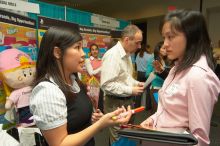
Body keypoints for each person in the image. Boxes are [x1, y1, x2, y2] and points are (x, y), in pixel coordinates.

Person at [29, 26, 132, 146]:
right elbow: (59, 143)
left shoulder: (74, 81)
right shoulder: (47, 91)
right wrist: (100, 124)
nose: (83, 54)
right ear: (57, 52)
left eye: (82, 48)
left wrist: (97, 120)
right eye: (77, 47)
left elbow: (75, 122)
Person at [141, 10, 220, 146]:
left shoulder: (198, 76)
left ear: (191, 37)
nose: (164, 44)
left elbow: (198, 140)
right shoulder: (176, 69)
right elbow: (171, 111)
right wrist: (153, 119)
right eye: (164, 37)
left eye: (170, 37)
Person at [101, 24, 144, 145]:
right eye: (137, 43)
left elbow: (125, 77)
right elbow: (107, 85)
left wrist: (136, 83)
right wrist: (131, 90)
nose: (139, 46)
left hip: (126, 102)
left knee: (125, 135)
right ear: (126, 40)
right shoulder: (112, 55)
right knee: (119, 138)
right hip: (116, 103)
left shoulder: (127, 55)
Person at [145, 41, 167, 113]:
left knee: (162, 110)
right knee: (156, 110)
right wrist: (156, 72)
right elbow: (147, 74)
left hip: (164, 88)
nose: (165, 50)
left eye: (166, 48)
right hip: (155, 88)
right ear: (158, 49)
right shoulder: (153, 59)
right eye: (163, 48)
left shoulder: (166, 60)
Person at [85, 43, 104, 112]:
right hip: (92, 86)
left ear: (98, 51)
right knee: (93, 106)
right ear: (90, 52)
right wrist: (102, 67)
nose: (94, 51)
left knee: (100, 106)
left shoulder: (101, 60)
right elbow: (91, 73)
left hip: (100, 86)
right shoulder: (88, 60)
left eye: (96, 49)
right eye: (92, 50)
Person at [135, 44, 153, 108]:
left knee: (139, 89)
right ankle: (148, 106)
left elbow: (136, 63)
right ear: (147, 49)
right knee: (148, 90)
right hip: (146, 74)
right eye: (149, 48)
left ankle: (137, 105)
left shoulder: (138, 54)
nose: (150, 50)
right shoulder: (150, 56)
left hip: (139, 73)